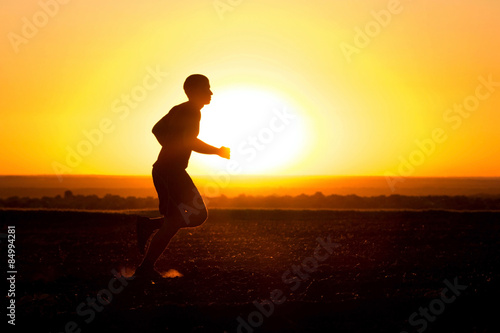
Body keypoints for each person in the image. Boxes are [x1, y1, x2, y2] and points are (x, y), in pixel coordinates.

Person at [134, 74, 230, 282]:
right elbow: (191, 141)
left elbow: (156, 129)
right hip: (168, 171)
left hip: (174, 170)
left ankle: (150, 226)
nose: (211, 93)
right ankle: (145, 269)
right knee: (175, 220)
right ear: (195, 91)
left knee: (198, 215)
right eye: (207, 89)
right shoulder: (191, 112)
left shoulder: (180, 109)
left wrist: (171, 145)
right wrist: (218, 151)